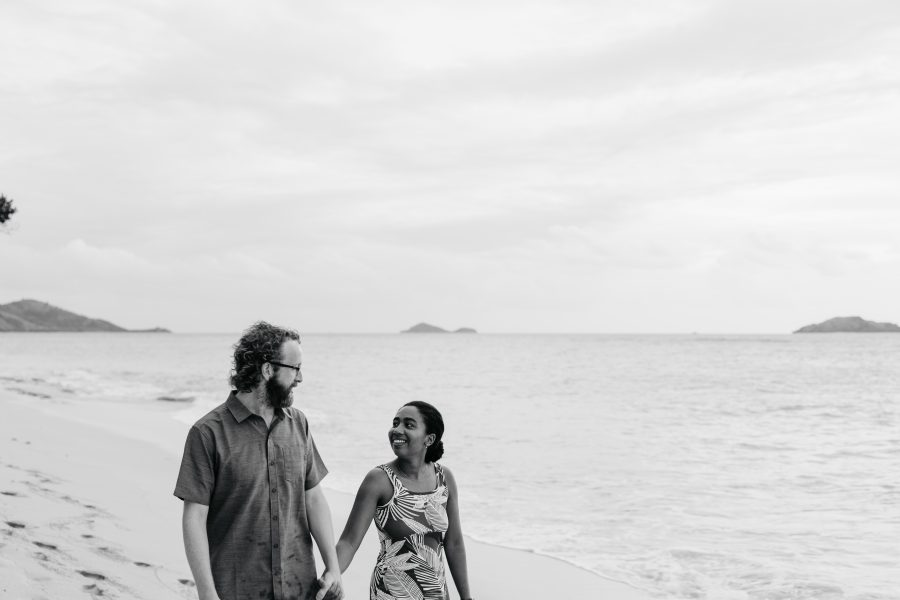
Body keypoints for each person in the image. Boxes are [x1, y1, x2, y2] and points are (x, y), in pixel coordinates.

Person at [174, 321, 343, 600]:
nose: (300, 379)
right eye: (295, 369)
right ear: (268, 370)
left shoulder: (298, 423)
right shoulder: (207, 433)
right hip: (236, 589)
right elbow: (194, 517)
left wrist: (333, 568)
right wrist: (206, 592)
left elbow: (313, 498)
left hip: (299, 588)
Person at [335, 401, 474, 600]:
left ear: (429, 439)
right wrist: (330, 575)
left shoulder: (445, 478)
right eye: (395, 423)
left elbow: (454, 543)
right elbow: (349, 542)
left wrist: (466, 597)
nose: (397, 430)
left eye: (408, 425)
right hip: (391, 593)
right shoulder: (379, 480)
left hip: (436, 592)